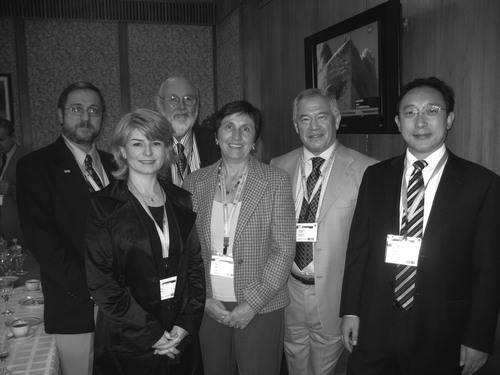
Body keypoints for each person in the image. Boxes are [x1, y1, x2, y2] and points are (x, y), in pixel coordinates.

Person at [339, 77, 500, 375]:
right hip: (375, 323)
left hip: (442, 327)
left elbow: (489, 269)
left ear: (449, 118)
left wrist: (479, 336)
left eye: (432, 110)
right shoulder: (375, 176)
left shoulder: (483, 184)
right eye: (411, 112)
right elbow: (358, 249)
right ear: (399, 122)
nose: (421, 122)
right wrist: (350, 309)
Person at [84, 109, 205, 374]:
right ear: (123, 151)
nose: (148, 152)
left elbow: (195, 264)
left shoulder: (181, 199)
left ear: (166, 150)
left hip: (178, 335)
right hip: (127, 340)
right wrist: (151, 334)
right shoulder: (103, 206)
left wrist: (186, 323)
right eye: (137, 143)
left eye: (156, 143)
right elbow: (101, 281)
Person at [183, 100, 296, 375]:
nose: (236, 136)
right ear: (216, 136)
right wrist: (204, 298)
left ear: (255, 140)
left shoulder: (276, 180)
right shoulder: (194, 183)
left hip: (261, 306)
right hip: (211, 306)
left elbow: (283, 249)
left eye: (246, 129)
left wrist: (251, 304)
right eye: (228, 127)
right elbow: (188, 250)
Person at [270, 88, 377, 375]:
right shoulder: (278, 165)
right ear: (295, 126)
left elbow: (370, 246)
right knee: (293, 364)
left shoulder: (369, 171)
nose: (314, 127)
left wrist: (357, 307)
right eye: (305, 119)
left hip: (334, 295)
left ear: (337, 118)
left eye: (321, 117)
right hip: (289, 290)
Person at [17, 82, 115, 375]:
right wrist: (98, 287)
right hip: (76, 303)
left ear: (102, 117)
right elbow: (43, 242)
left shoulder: (115, 165)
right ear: (60, 115)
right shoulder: (35, 166)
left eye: (93, 110)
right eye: (76, 109)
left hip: (123, 305)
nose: (85, 117)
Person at [154, 76, 220, 186]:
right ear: (159, 104)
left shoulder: (216, 143)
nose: (181, 107)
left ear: (197, 105)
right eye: (173, 99)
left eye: (188, 99)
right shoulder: (146, 146)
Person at [0, 117, 29, 245]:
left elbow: (35, 193)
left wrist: (13, 189)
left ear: (13, 136)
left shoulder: (27, 158)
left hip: (15, 229)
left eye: (2, 139)